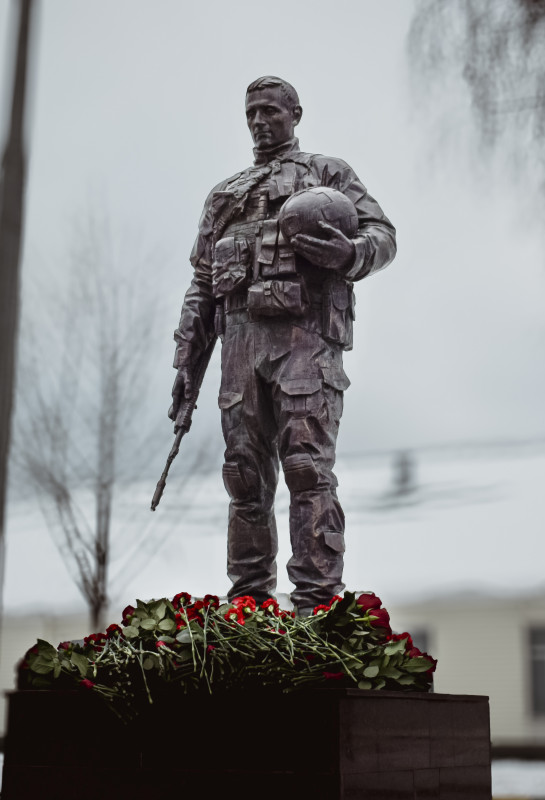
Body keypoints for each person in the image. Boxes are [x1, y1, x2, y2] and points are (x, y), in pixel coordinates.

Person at [169, 76, 396, 613]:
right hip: (239, 347)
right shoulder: (225, 194)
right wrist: (185, 361)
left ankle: (315, 605)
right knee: (244, 476)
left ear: (295, 113)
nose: (259, 120)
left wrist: (349, 255)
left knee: (306, 468)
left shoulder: (328, 174)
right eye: (251, 112)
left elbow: (383, 236)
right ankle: (248, 605)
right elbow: (202, 283)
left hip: (305, 343)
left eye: (271, 110)